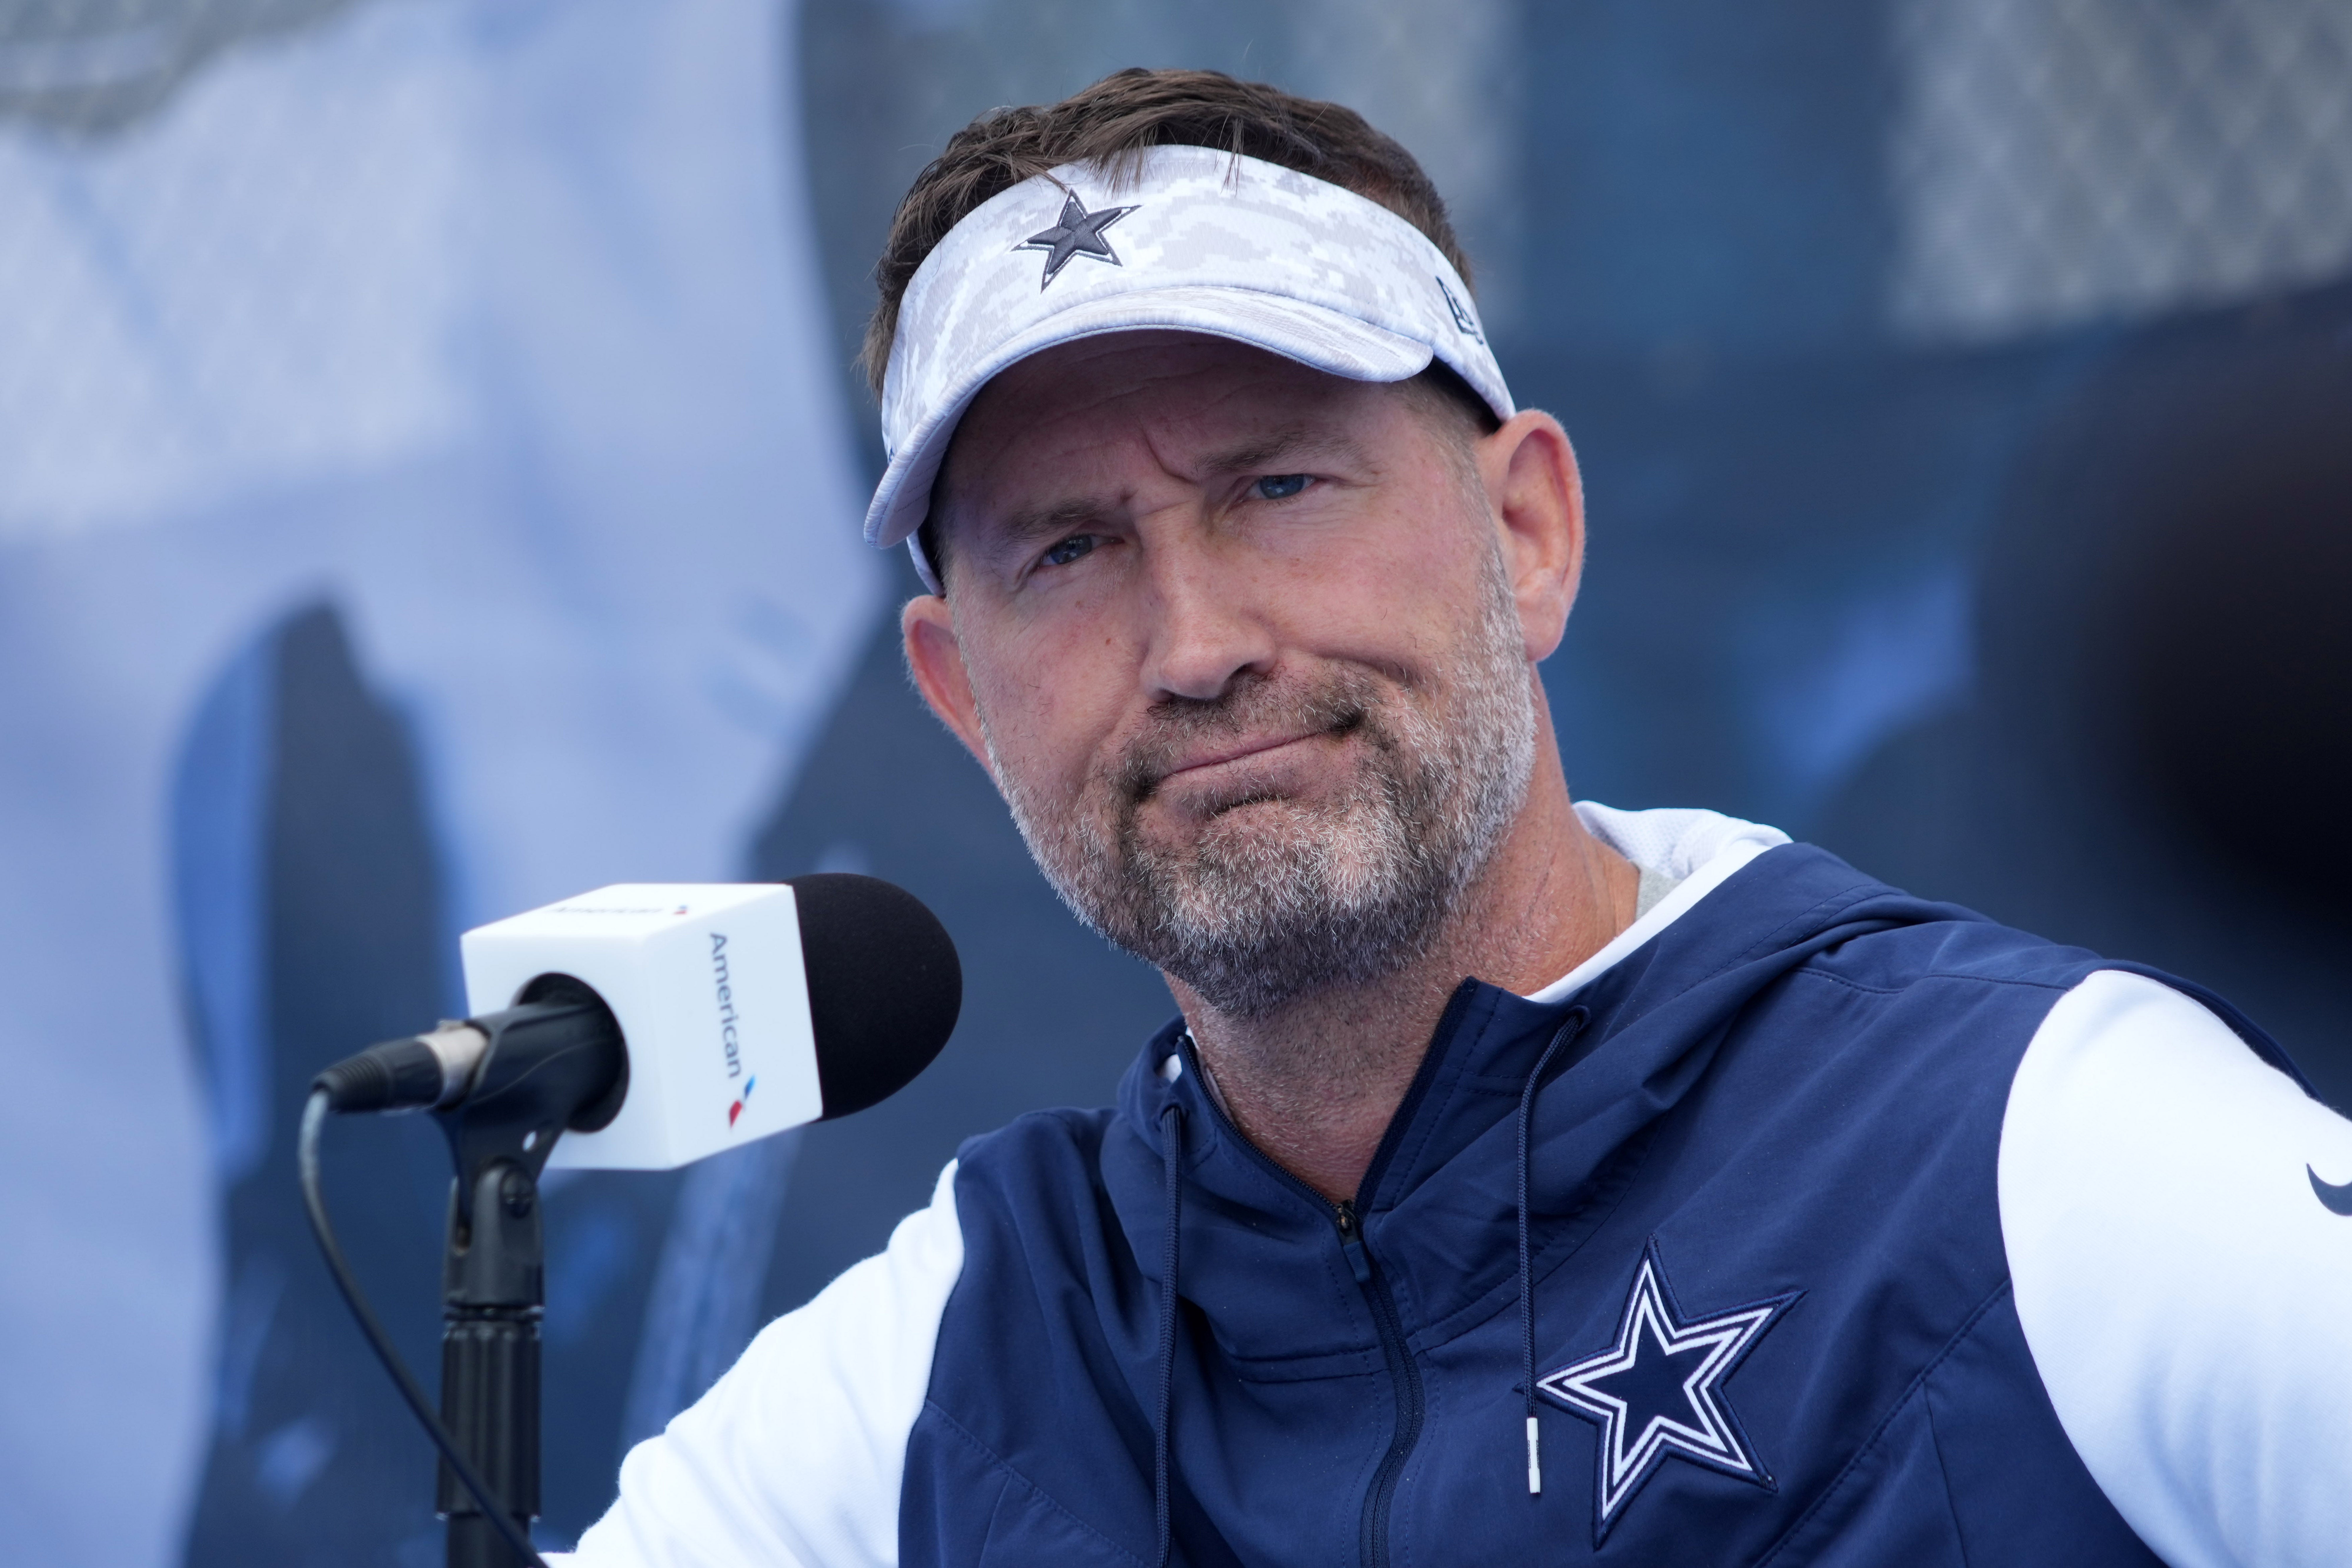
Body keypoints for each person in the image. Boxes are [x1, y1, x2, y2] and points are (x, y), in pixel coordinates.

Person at [560, 69, 2352, 1567]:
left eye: (1277, 485)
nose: (1193, 645)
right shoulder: (938, 1371)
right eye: (1069, 549)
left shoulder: (2028, 1151)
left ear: (1528, 533)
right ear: (961, 696)